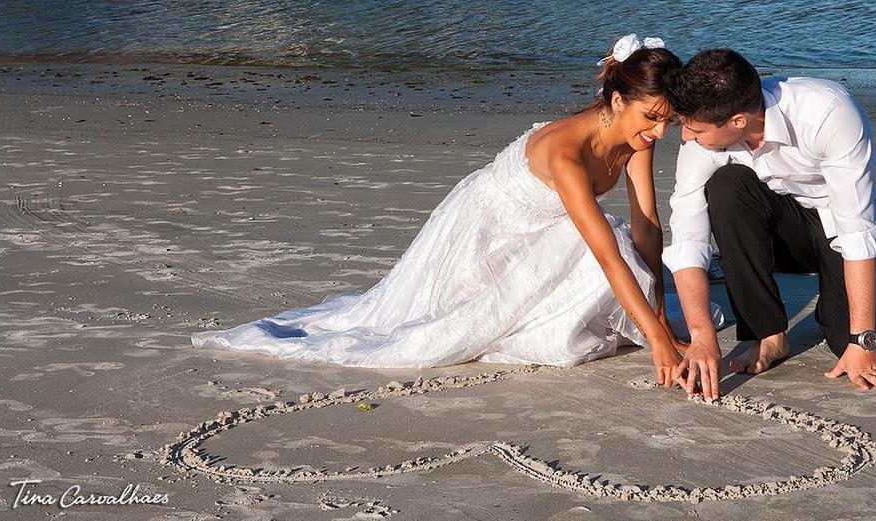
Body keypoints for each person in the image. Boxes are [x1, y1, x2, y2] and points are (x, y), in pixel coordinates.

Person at [193, 34, 722, 385]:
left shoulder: (639, 138)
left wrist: (661, 319)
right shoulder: (566, 152)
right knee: (593, 252)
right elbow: (607, 253)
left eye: (667, 122)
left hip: (548, 230)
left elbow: (648, 228)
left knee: (625, 245)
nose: (657, 133)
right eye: (651, 118)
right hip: (483, 230)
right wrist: (657, 340)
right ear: (615, 101)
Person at [663, 49, 876, 400]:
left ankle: (836, 303)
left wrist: (862, 339)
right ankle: (768, 335)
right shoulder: (705, 137)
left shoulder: (827, 111)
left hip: (861, 223)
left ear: (737, 121)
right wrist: (702, 335)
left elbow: (857, 231)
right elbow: (688, 234)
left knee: (851, 345)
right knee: (727, 186)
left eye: (694, 128)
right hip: (791, 225)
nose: (686, 137)